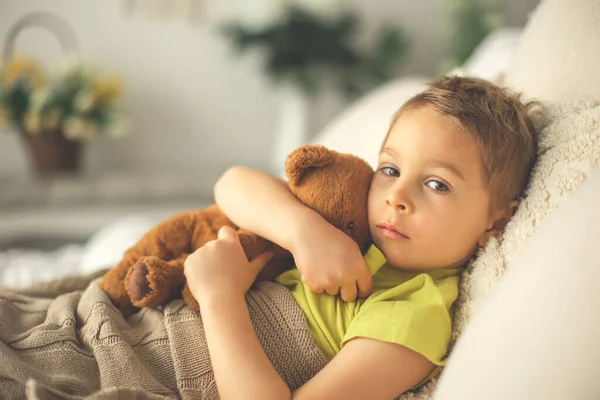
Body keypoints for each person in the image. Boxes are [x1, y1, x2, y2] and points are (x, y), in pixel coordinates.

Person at [183, 76, 539, 399]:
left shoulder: (413, 312)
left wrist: (220, 298)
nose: (395, 195)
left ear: (498, 221)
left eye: (437, 184)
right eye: (390, 169)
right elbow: (231, 183)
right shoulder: (347, 222)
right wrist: (303, 231)